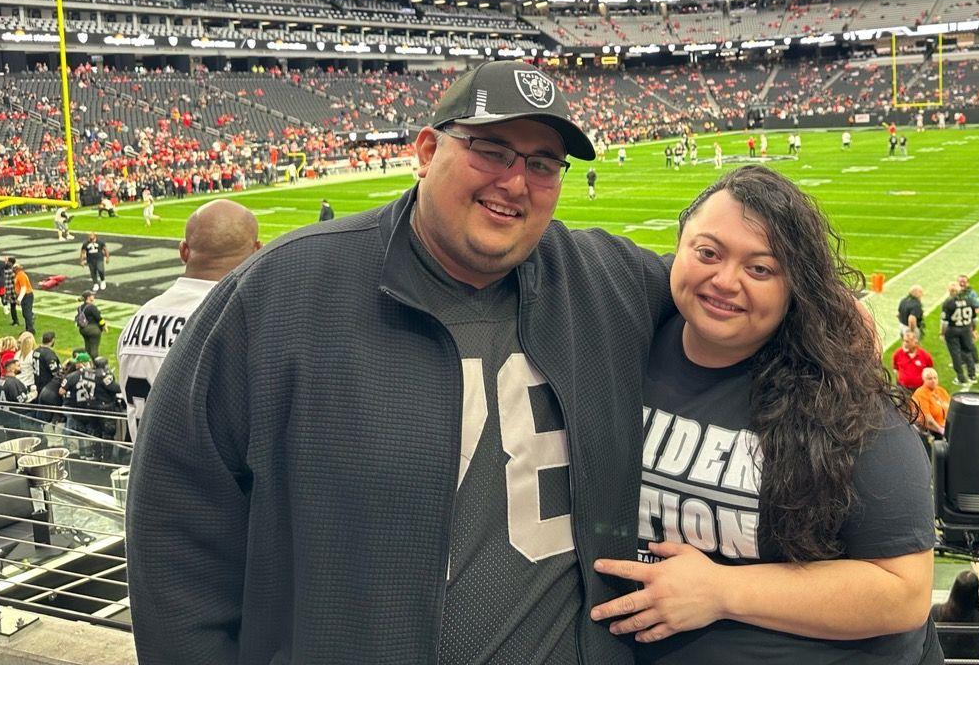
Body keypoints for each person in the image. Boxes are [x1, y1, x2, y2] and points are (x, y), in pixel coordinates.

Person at [127, 60, 673, 664]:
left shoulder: (605, 281)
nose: (516, 182)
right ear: (426, 149)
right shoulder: (280, 293)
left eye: (543, 164)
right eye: (492, 150)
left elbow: (748, 295)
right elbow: (175, 531)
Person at [590, 165, 938, 664]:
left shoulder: (840, 396)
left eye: (760, 269)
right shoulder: (625, 346)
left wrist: (721, 591)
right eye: (707, 253)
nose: (724, 281)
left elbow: (904, 591)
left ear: (795, 285)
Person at [116, 199, 262, 444]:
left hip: (144, 475)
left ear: (184, 251)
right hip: (209, 480)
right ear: (257, 251)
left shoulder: (136, 321)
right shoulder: (245, 323)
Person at [931, 560, 979, 661]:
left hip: (945, 663)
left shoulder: (936, 611)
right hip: (973, 665)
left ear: (954, 590)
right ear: (975, 595)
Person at [939, 281, 979, 386]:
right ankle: (972, 375)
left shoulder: (948, 303)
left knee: (955, 354)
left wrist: (942, 333)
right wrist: (974, 329)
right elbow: (975, 319)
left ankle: (961, 378)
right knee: (967, 351)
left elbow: (944, 322)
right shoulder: (969, 300)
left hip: (952, 330)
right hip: (966, 329)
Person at [911, 368, 950, 436]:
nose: (933, 381)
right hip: (929, 429)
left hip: (943, 425)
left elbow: (950, 408)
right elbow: (928, 419)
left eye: (935, 378)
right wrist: (941, 430)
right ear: (924, 380)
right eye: (930, 379)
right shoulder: (921, 393)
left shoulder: (941, 390)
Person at [76, 291, 105, 359]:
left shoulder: (80, 307)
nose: (93, 296)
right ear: (88, 297)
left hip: (83, 329)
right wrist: (103, 326)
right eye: (92, 295)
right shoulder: (92, 307)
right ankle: (96, 364)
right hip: (93, 330)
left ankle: (87, 362)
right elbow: (99, 318)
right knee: (94, 349)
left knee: (87, 347)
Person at [12, 261, 34, 334]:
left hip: (26, 295)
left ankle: (30, 329)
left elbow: (23, 288)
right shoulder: (19, 275)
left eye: (14, 268)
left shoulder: (21, 275)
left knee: (27, 313)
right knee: (25, 313)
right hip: (26, 295)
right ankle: (28, 328)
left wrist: (19, 299)